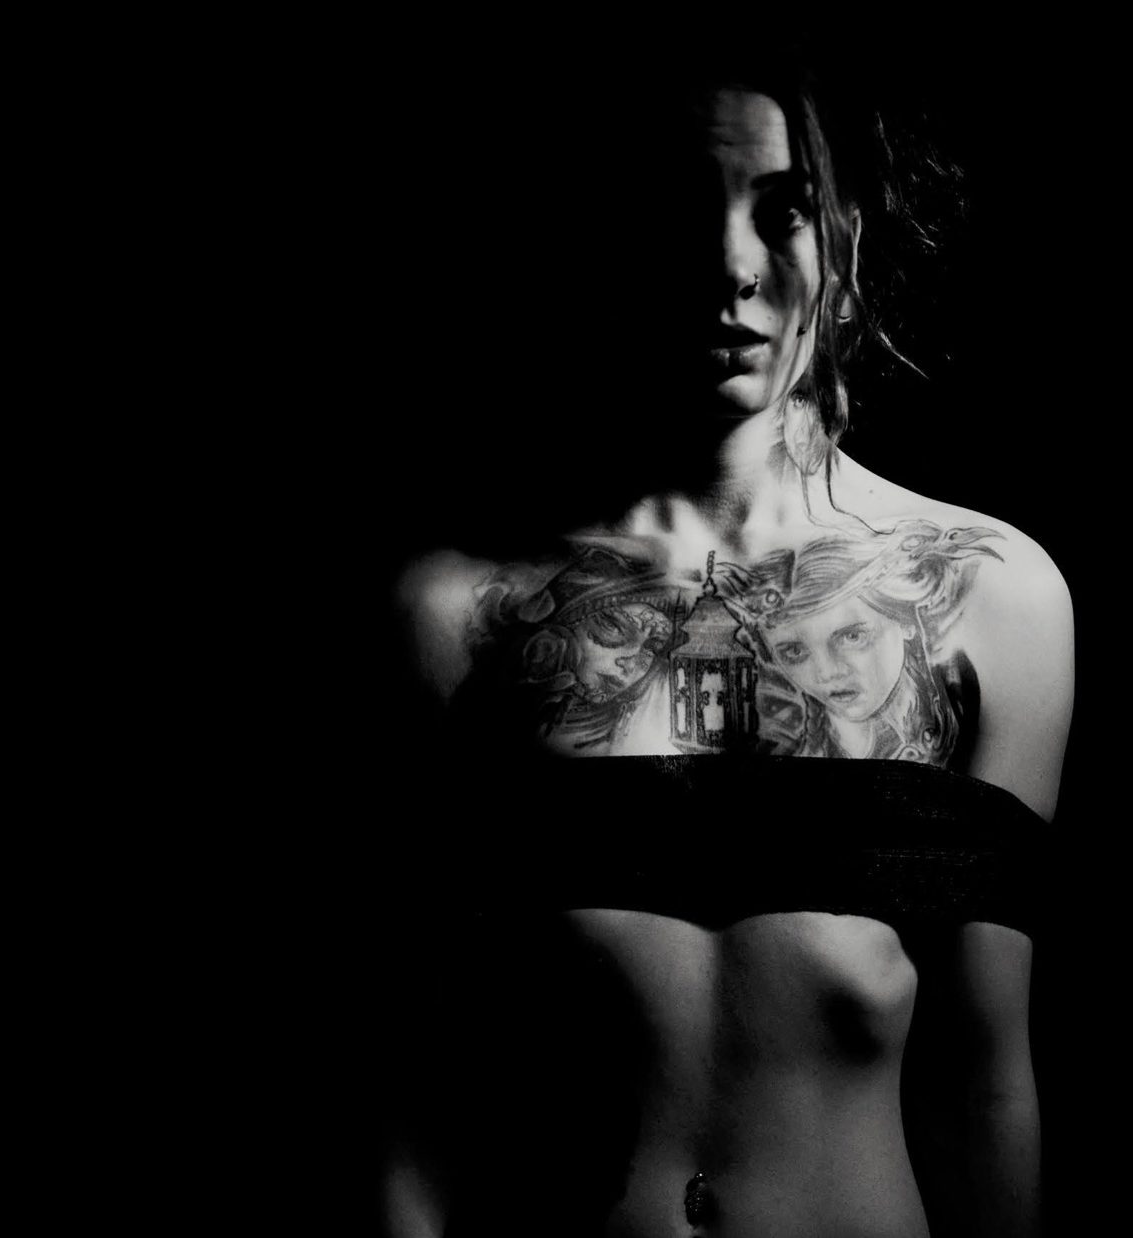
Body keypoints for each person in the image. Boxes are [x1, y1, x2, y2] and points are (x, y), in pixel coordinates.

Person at [388, 53, 1073, 1238]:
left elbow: (984, 1085)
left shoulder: (989, 599)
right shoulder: (461, 612)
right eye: (677, 203)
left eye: (785, 207)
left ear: (849, 244)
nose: (729, 266)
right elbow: (413, 1095)